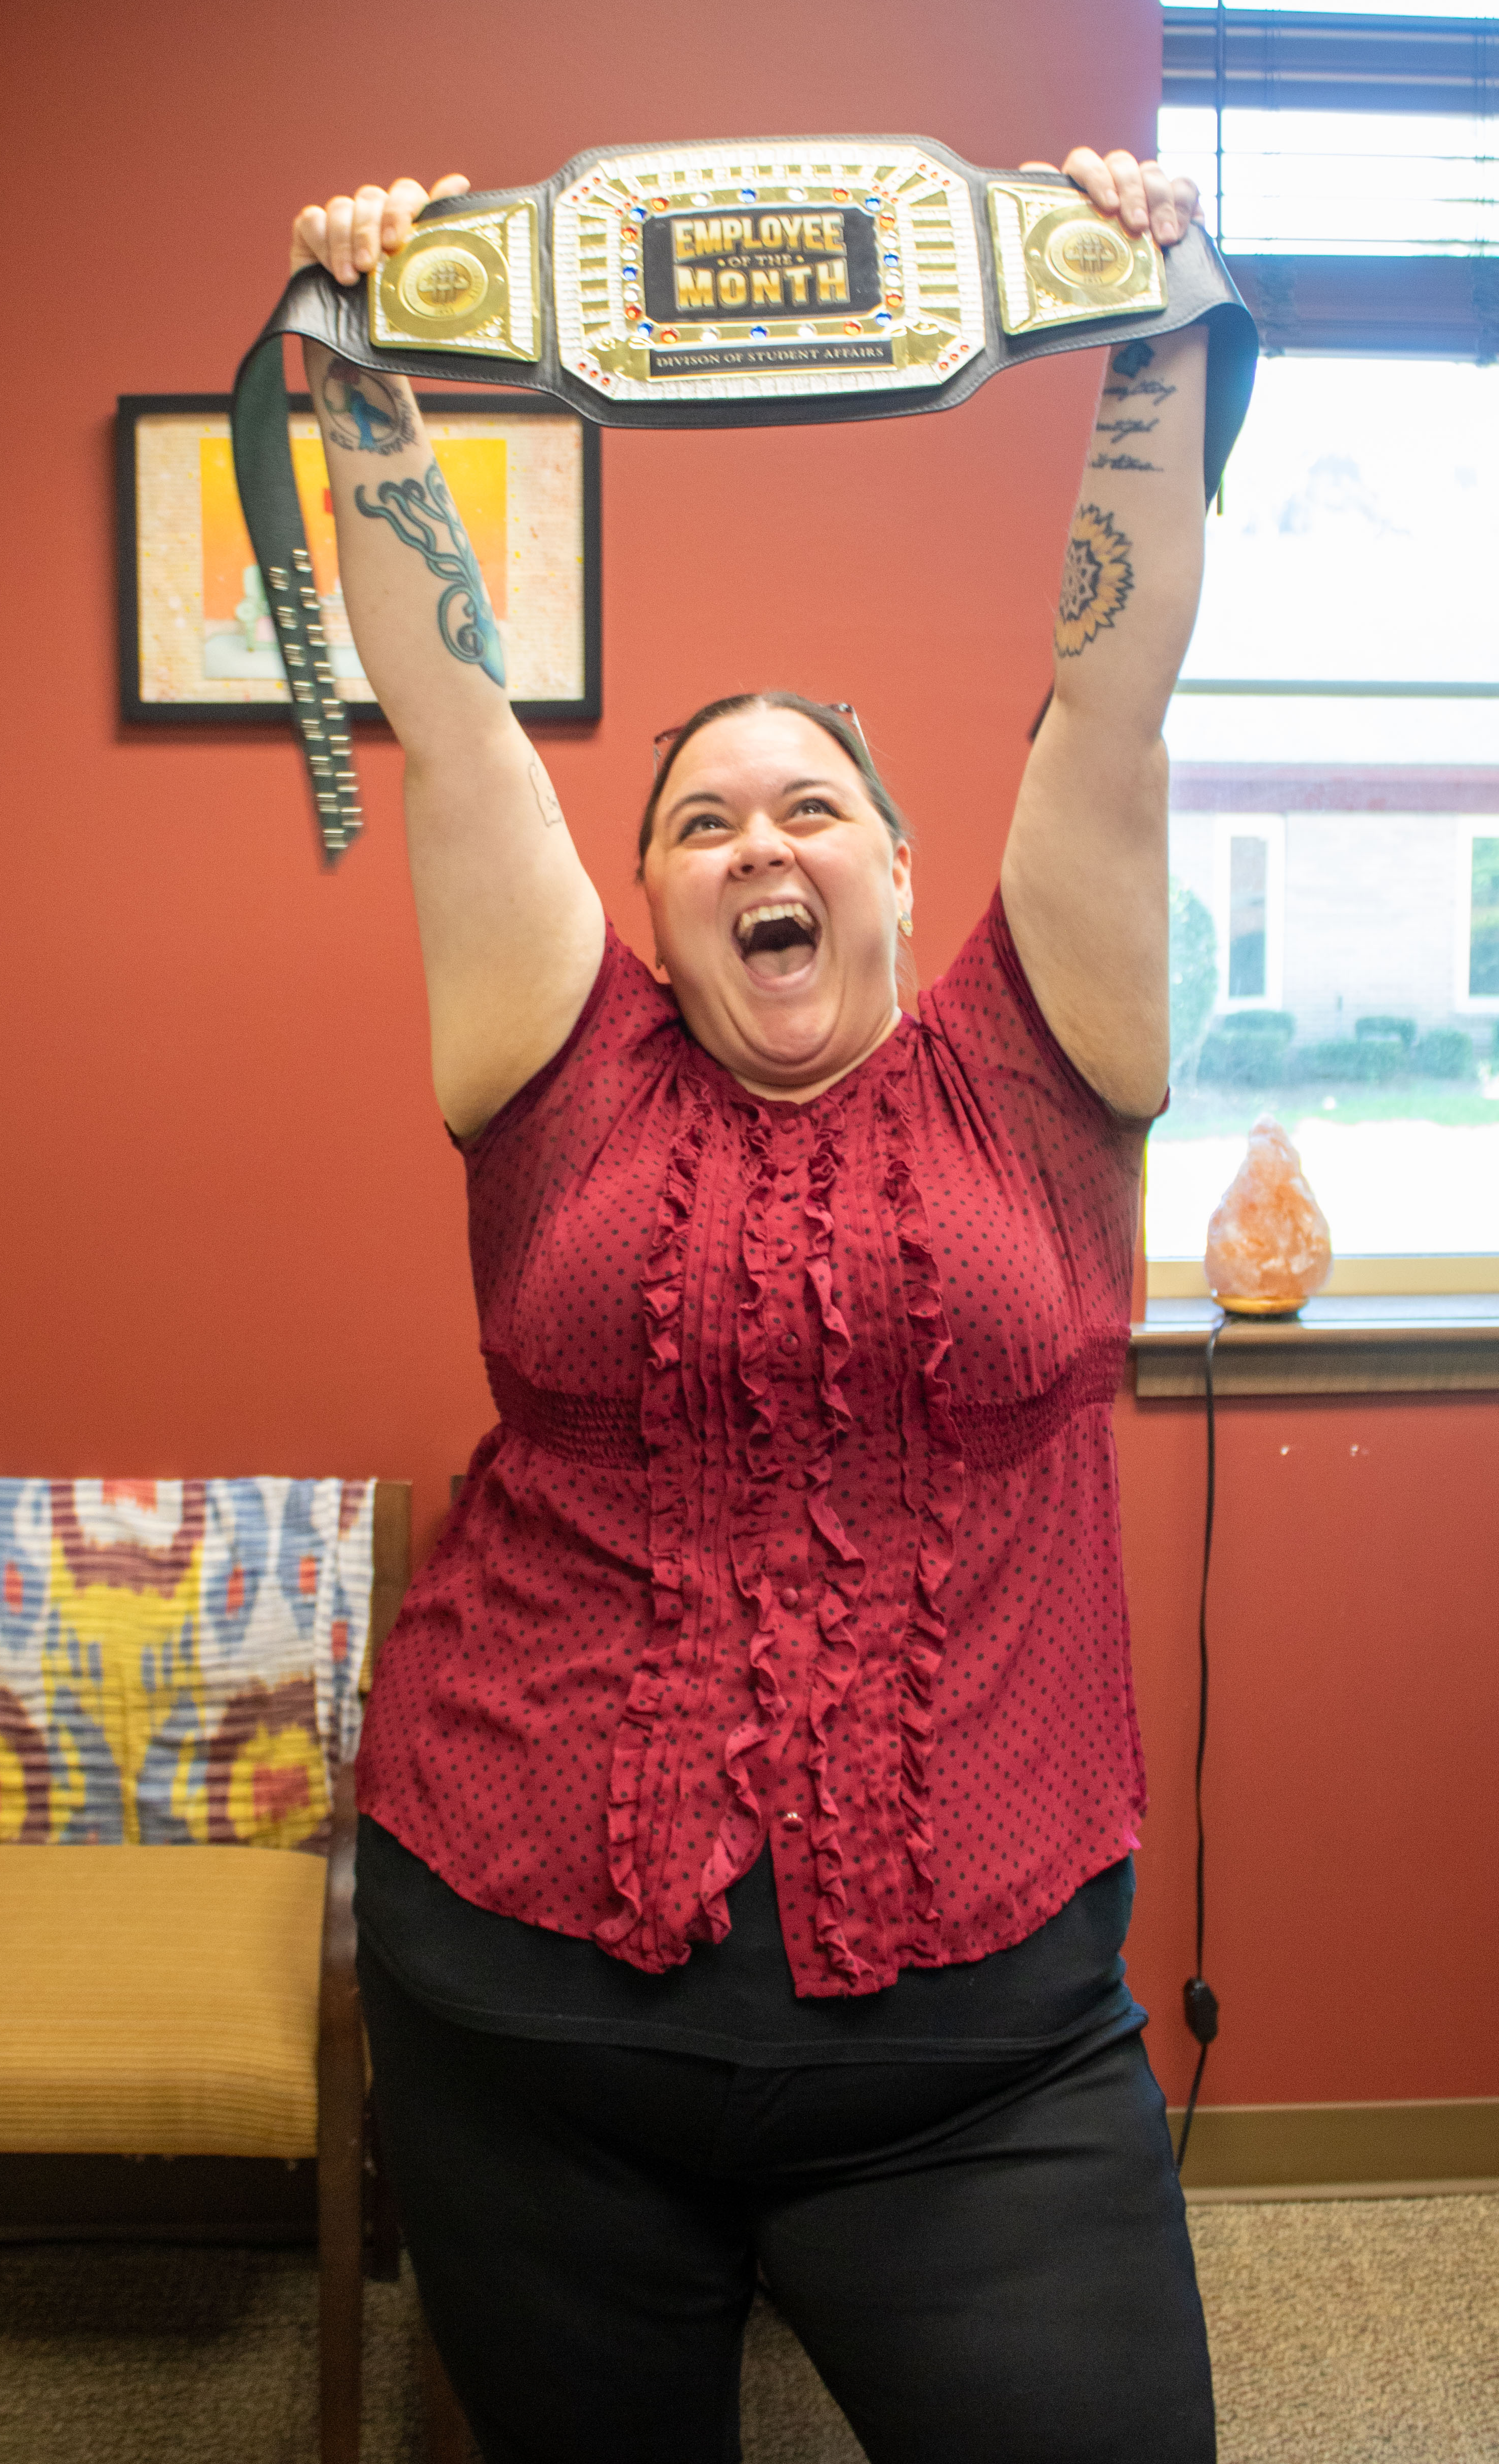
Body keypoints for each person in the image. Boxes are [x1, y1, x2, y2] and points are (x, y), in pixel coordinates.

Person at [291, 146, 1217, 2463]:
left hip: (977, 2045)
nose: (756, 847)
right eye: (699, 822)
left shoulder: (1044, 1057)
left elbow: (1108, 693)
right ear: (647, 904)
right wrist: (358, 363)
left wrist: (1155, 316)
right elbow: (458, 716)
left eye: (810, 808)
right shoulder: (559, 1058)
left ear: (907, 871)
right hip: (519, 2003)